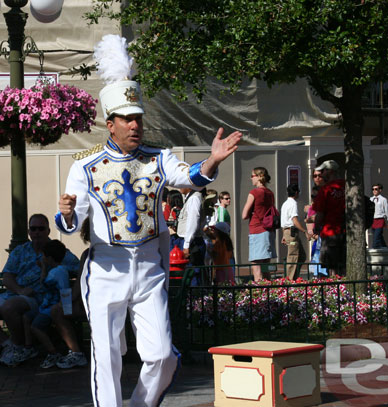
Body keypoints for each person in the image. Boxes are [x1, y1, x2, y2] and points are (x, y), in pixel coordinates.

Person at [56, 33, 242, 407]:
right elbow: (72, 222)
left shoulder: (158, 157)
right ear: (111, 124)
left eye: (139, 118)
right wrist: (65, 214)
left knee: (161, 356)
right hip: (106, 268)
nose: (135, 125)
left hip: (148, 268)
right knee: (106, 355)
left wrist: (212, 161)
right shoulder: (85, 166)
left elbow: (188, 177)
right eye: (127, 119)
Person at [0, 214, 79, 367]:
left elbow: (79, 269)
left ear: (48, 231)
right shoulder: (20, 251)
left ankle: (21, 347)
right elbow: (7, 278)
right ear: (29, 232)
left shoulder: (58, 251)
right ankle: (11, 346)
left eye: (41, 229)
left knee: (11, 306)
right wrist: (20, 290)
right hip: (18, 294)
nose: (37, 232)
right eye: (33, 229)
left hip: (41, 299)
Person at [51, 219, 90, 369]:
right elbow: (80, 281)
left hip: (110, 304)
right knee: (57, 311)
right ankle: (76, 353)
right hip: (86, 303)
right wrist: (69, 302)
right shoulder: (87, 254)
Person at [29, 239, 73, 369]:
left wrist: (43, 268)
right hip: (52, 307)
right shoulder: (61, 270)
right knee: (28, 317)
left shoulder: (56, 272)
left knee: (35, 326)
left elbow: (44, 283)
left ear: (48, 258)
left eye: (44, 256)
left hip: (52, 308)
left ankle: (52, 352)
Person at [241, 167, 277, 281]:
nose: (251, 178)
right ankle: (269, 293)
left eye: (252, 176)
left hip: (257, 231)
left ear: (259, 176)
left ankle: (258, 293)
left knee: (256, 267)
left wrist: (252, 212)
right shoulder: (270, 193)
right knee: (266, 267)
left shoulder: (254, 192)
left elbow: (244, 215)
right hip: (268, 231)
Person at [313, 160, 346, 276]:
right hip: (347, 232)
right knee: (344, 265)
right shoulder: (347, 186)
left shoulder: (326, 189)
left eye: (323, 171)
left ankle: (335, 289)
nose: (321, 174)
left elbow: (320, 213)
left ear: (329, 171)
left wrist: (316, 227)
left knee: (332, 266)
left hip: (330, 231)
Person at [280, 184, 309, 280]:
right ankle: (289, 281)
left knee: (301, 256)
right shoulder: (293, 203)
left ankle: (295, 277)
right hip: (292, 235)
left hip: (288, 233)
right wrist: (304, 231)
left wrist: (284, 235)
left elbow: (284, 221)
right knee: (293, 256)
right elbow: (294, 220)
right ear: (296, 193)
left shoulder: (285, 204)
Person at [370, 183, 388, 249]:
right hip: (373, 220)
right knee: (379, 237)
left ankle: (378, 249)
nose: (374, 190)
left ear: (380, 190)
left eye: (376, 189)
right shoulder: (371, 199)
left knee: (375, 241)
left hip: (380, 220)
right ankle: (386, 248)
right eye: (373, 189)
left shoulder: (383, 200)